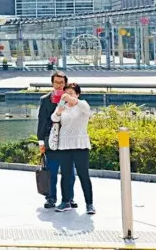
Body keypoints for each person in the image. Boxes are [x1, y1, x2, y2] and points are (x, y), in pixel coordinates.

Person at [51, 83, 95, 215]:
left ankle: (89, 204)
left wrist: (70, 98)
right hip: (64, 145)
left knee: (83, 175)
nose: (68, 96)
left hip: (80, 145)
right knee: (65, 175)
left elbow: (86, 109)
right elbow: (54, 118)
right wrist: (60, 107)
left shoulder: (82, 105)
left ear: (77, 94)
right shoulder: (62, 106)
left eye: (71, 93)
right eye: (66, 93)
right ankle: (65, 201)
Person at [37, 70, 76, 209]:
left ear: (65, 83)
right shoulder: (45, 99)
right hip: (51, 140)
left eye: (61, 82)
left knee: (69, 173)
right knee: (51, 171)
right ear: (52, 83)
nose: (59, 85)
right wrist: (41, 141)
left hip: (68, 140)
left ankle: (69, 198)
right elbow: (42, 121)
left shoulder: (71, 99)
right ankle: (50, 198)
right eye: (56, 82)